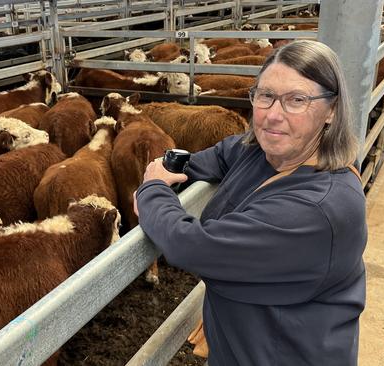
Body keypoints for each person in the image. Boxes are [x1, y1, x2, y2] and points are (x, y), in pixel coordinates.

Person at [133, 40, 367, 365]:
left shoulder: (319, 208)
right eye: (265, 95)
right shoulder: (264, 153)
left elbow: (193, 246)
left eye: (296, 100)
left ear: (332, 110)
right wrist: (178, 167)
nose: (273, 115)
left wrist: (153, 189)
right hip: (242, 347)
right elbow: (224, 153)